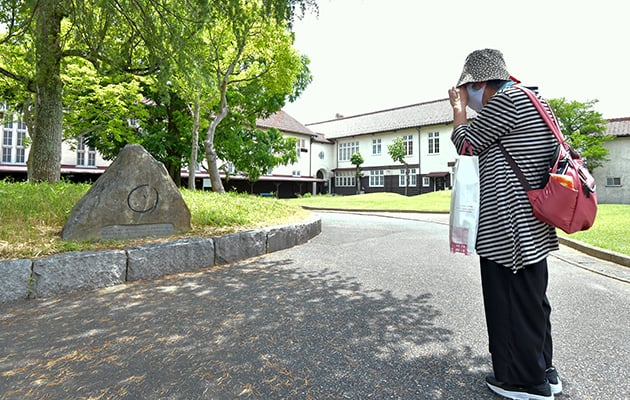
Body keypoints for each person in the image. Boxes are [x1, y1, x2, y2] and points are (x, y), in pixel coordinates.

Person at [447, 49, 563, 400]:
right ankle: (543, 370)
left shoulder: (506, 100)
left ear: (479, 83)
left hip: (509, 228)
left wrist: (458, 110)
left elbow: (465, 144)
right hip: (533, 226)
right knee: (531, 301)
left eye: (468, 90)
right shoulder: (534, 99)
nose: (468, 98)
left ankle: (524, 383)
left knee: (509, 302)